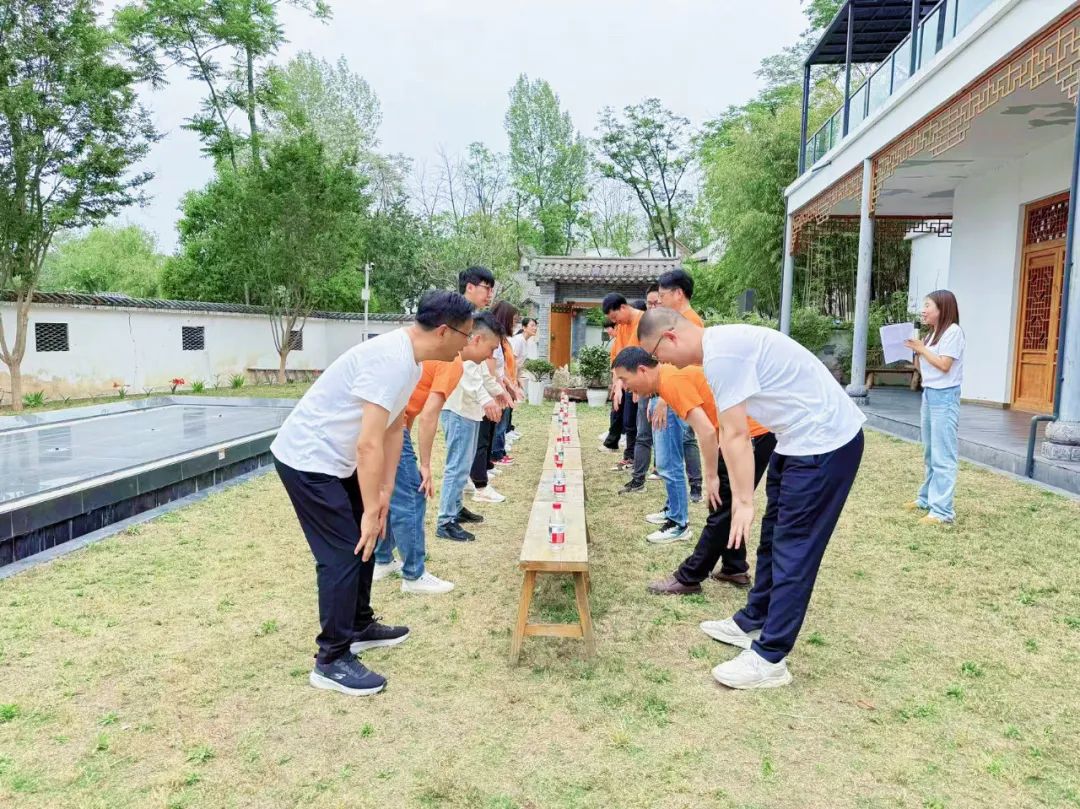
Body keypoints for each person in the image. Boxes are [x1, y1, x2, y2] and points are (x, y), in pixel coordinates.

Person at [638, 308, 865, 690]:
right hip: (794, 441)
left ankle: (771, 657)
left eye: (658, 355)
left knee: (794, 550)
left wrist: (743, 501)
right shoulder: (718, 350)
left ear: (671, 337)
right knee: (773, 539)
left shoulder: (723, 355)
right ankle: (754, 619)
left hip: (824, 443)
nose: (664, 364)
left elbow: (735, 434)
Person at [271, 290, 476, 697]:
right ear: (443, 331)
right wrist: (368, 509)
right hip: (309, 460)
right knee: (343, 552)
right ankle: (331, 659)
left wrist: (383, 493)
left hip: (339, 460)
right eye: (465, 335)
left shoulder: (412, 363)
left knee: (368, 537)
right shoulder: (390, 360)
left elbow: (393, 429)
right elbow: (367, 444)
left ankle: (359, 624)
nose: (465, 345)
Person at [609, 348, 777, 594]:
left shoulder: (670, 381)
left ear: (642, 370)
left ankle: (690, 577)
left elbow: (705, 431)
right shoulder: (669, 376)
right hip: (744, 432)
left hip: (751, 434)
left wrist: (711, 477)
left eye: (624, 379)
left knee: (721, 504)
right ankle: (734, 567)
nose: (624, 387)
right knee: (726, 505)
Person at [373, 311, 503, 593]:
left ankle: (383, 559)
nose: (490, 356)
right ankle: (414, 575)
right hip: (390, 426)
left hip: (390, 424)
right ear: (476, 339)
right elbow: (430, 415)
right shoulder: (453, 363)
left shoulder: (449, 359)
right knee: (412, 495)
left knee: (395, 492)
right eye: (491, 348)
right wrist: (426, 465)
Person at [436, 268, 509, 542]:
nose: (489, 294)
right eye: (486, 287)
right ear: (469, 287)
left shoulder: (472, 320)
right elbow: (465, 366)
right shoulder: (457, 321)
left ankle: (455, 508)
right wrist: (487, 398)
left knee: (464, 463)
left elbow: (479, 367)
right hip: (457, 403)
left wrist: (496, 391)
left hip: (468, 406)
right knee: (457, 465)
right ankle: (446, 519)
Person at [905, 290, 965, 526]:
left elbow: (944, 365)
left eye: (927, 305)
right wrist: (915, 352)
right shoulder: (931, 335)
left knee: (943, 454)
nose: (923, 310)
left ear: (942, 308)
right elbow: (924, 369)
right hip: (929, 394)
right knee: (930, 451)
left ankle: (942, 511)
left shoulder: (953, 332)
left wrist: (922, 350)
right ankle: (926, 499)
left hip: (945, 397)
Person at [655, 269, 705, 502]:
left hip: (680, 395)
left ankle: (677, 511)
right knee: (672, 454)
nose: (660, 301)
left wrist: (663, 399)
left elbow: (682, 365)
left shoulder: (689, 321)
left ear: (678, 294)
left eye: (662, 295)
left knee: (673, 456)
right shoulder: (678, 320)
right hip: (674, 393)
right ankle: (674, 505)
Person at [602, 293, 648, 494]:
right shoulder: (622, 327)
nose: (615, 323)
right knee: (630, 423)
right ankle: (633, 465)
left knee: (643, 431)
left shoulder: (644, 322)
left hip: (645, 384)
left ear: (623, 307)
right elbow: (620, 357)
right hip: (630, 383)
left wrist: (639, 386)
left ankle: (644, 472)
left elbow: (645, 357)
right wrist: (618, 384)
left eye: (615, 317)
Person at [488, 301, 522, 470]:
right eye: (513, 320)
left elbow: (506, 366)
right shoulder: (495, 340)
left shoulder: (504, 340)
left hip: (505, 384)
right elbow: (496, 370)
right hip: (497, 387)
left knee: (503, 421)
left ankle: (498, 452)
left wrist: (513, 385)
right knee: (498, 422)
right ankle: (496, 454)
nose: (515, 324)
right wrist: (506, 388)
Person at [507, 317, 538, 442]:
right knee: (508, 404)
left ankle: (509, 429)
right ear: (524, 327)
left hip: (514, 376)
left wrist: (519, 379)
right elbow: (512, 361)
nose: (535, 328)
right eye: (532, 325)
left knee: (511, 404)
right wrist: (513, 380)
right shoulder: (518, 340)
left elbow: (520, 364)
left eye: (535, 325)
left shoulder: (526, 341)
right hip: (508, 376)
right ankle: (506, 432)